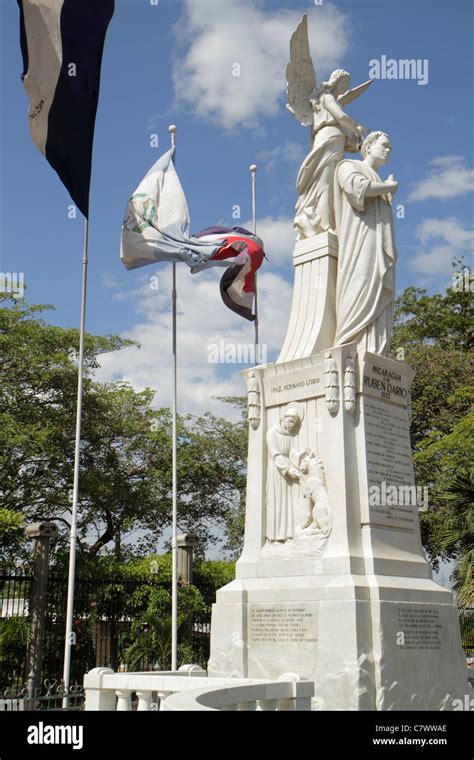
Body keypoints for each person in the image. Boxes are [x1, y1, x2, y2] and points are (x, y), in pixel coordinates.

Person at [334, 131, 398, 356]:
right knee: (359, 282)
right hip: (360, 240)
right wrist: (388, 188)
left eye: (390, 147)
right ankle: (350, 343)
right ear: (368, 146)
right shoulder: (347, 165)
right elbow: (356, 188)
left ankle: (376, 349)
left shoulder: (379, 179)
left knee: (380, 288)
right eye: (384, 145)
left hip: (379, 241)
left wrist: (385, 190)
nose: (388, 150)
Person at [294, 69, 364, 240]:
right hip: (327, 139)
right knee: (324, 182)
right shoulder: (326, 97)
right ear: (336, 81)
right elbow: (340, 116)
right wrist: (357, 128)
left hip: (335, 141)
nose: (346, 87)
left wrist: (353, 138)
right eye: (344, 83)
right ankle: (319, 222)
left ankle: (323, 220)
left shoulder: (332, 100)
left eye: (347, 84)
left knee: (332, 184)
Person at [265, 403, 305, 543]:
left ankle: (287, 535)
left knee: (287, 504)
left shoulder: (288, 435)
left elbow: (291, 452)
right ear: (284, 419)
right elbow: (276, 454)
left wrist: (300, 456)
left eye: (295, 424)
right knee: (277, 503)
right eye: (292, 422)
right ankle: (275, 538)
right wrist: (287, 470)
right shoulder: (271, 433)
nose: (292, 426)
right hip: (277, 471)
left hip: (287, 472)